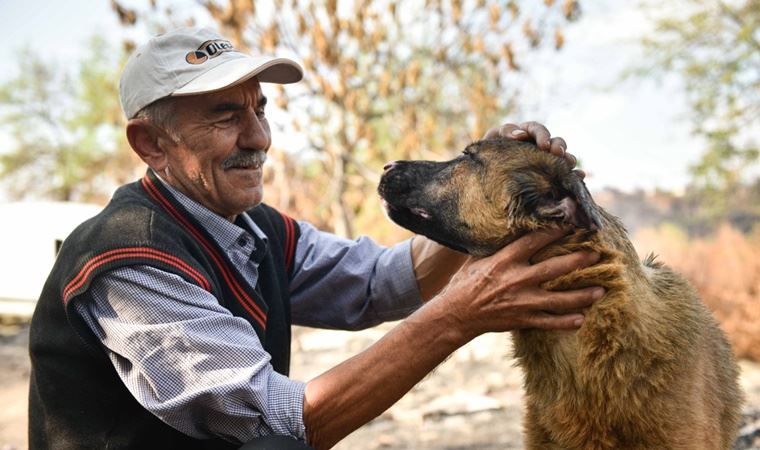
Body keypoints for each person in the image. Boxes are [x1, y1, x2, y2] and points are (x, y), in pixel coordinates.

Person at [28, 27, 602, 450]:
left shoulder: (251, 228)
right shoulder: (130, 261)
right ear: (151, 145)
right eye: (226, 116)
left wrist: (484, 187)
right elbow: (282, 423)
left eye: (260, 109)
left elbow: (379, 284)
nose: (258, 138)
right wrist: (458, 317)